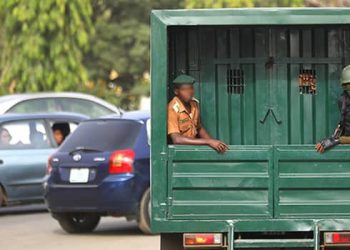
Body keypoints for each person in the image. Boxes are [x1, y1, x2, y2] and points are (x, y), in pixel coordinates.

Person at [168, 74, 228, 153]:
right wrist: (208, 142)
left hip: (194, 148)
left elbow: (198, 127)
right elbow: (177, 139)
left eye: (191, 88)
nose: (189, 92)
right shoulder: (172, 109)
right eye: (184, 89)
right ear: (176, 91)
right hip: (180, 151)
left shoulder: (194, 104)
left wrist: (213, 142)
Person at [316, 65, 350, 153]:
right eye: (347, 86)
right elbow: (343, 124)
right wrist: (332, 139)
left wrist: (338, 140)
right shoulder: (344, 100)